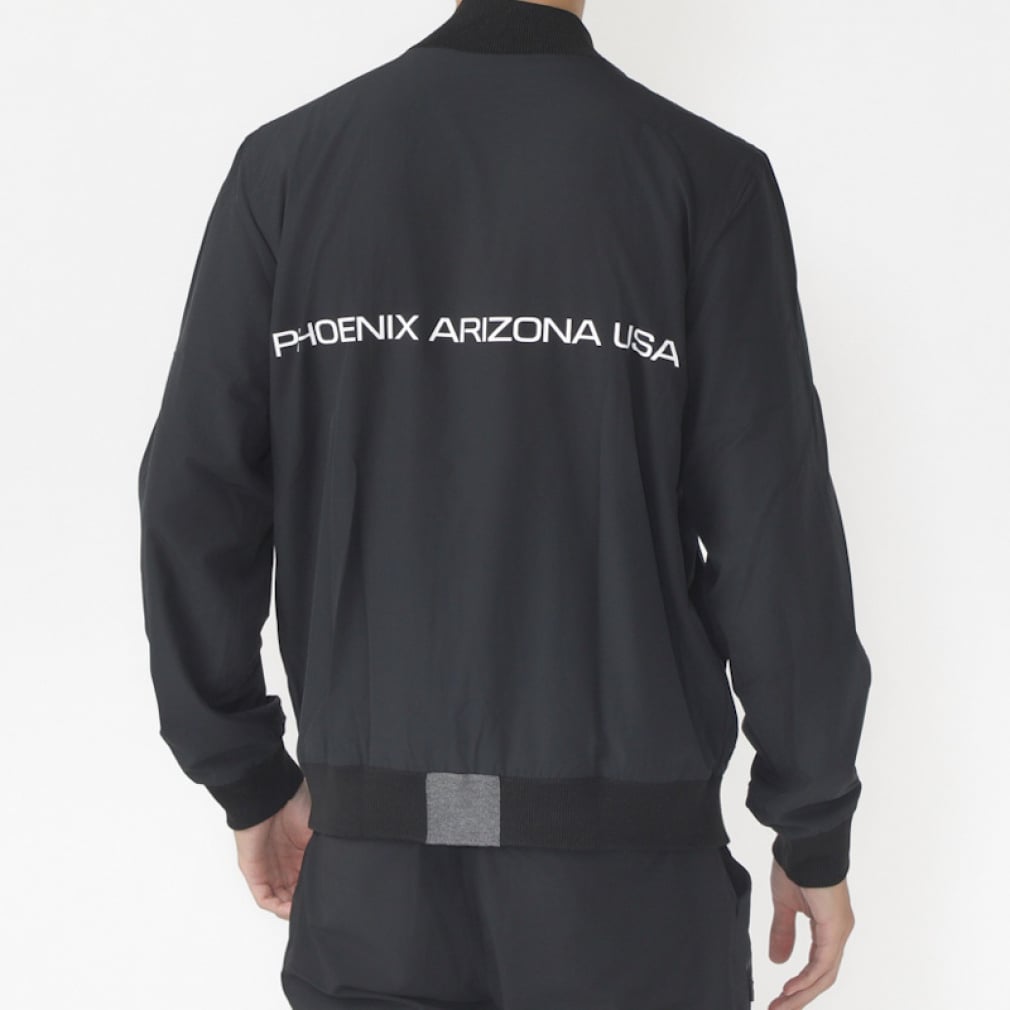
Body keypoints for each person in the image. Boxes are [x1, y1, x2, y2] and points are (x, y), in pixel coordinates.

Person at [136, 0, 872, 1007]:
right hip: (630, 889)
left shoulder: (289, 169)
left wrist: (247, 773)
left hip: (376, 886)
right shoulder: (704, 176)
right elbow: (771, 530)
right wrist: (811, 821)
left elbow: (194, 494)